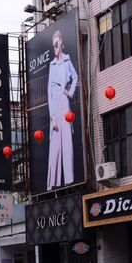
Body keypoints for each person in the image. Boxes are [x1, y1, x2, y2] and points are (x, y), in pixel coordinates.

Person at [46, 29, 78, 190]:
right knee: (55, 144)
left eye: (57, 44)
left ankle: (70, 179)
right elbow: (49, 94)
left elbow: (75, 77)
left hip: (64, 101)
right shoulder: (51, 64)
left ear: (62, 45)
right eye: (53, 45)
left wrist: (70, 92)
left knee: (67, 142)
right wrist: (52, 117)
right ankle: (54, 181)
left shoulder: (67, 60)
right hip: (55, 102)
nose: (55, 47)